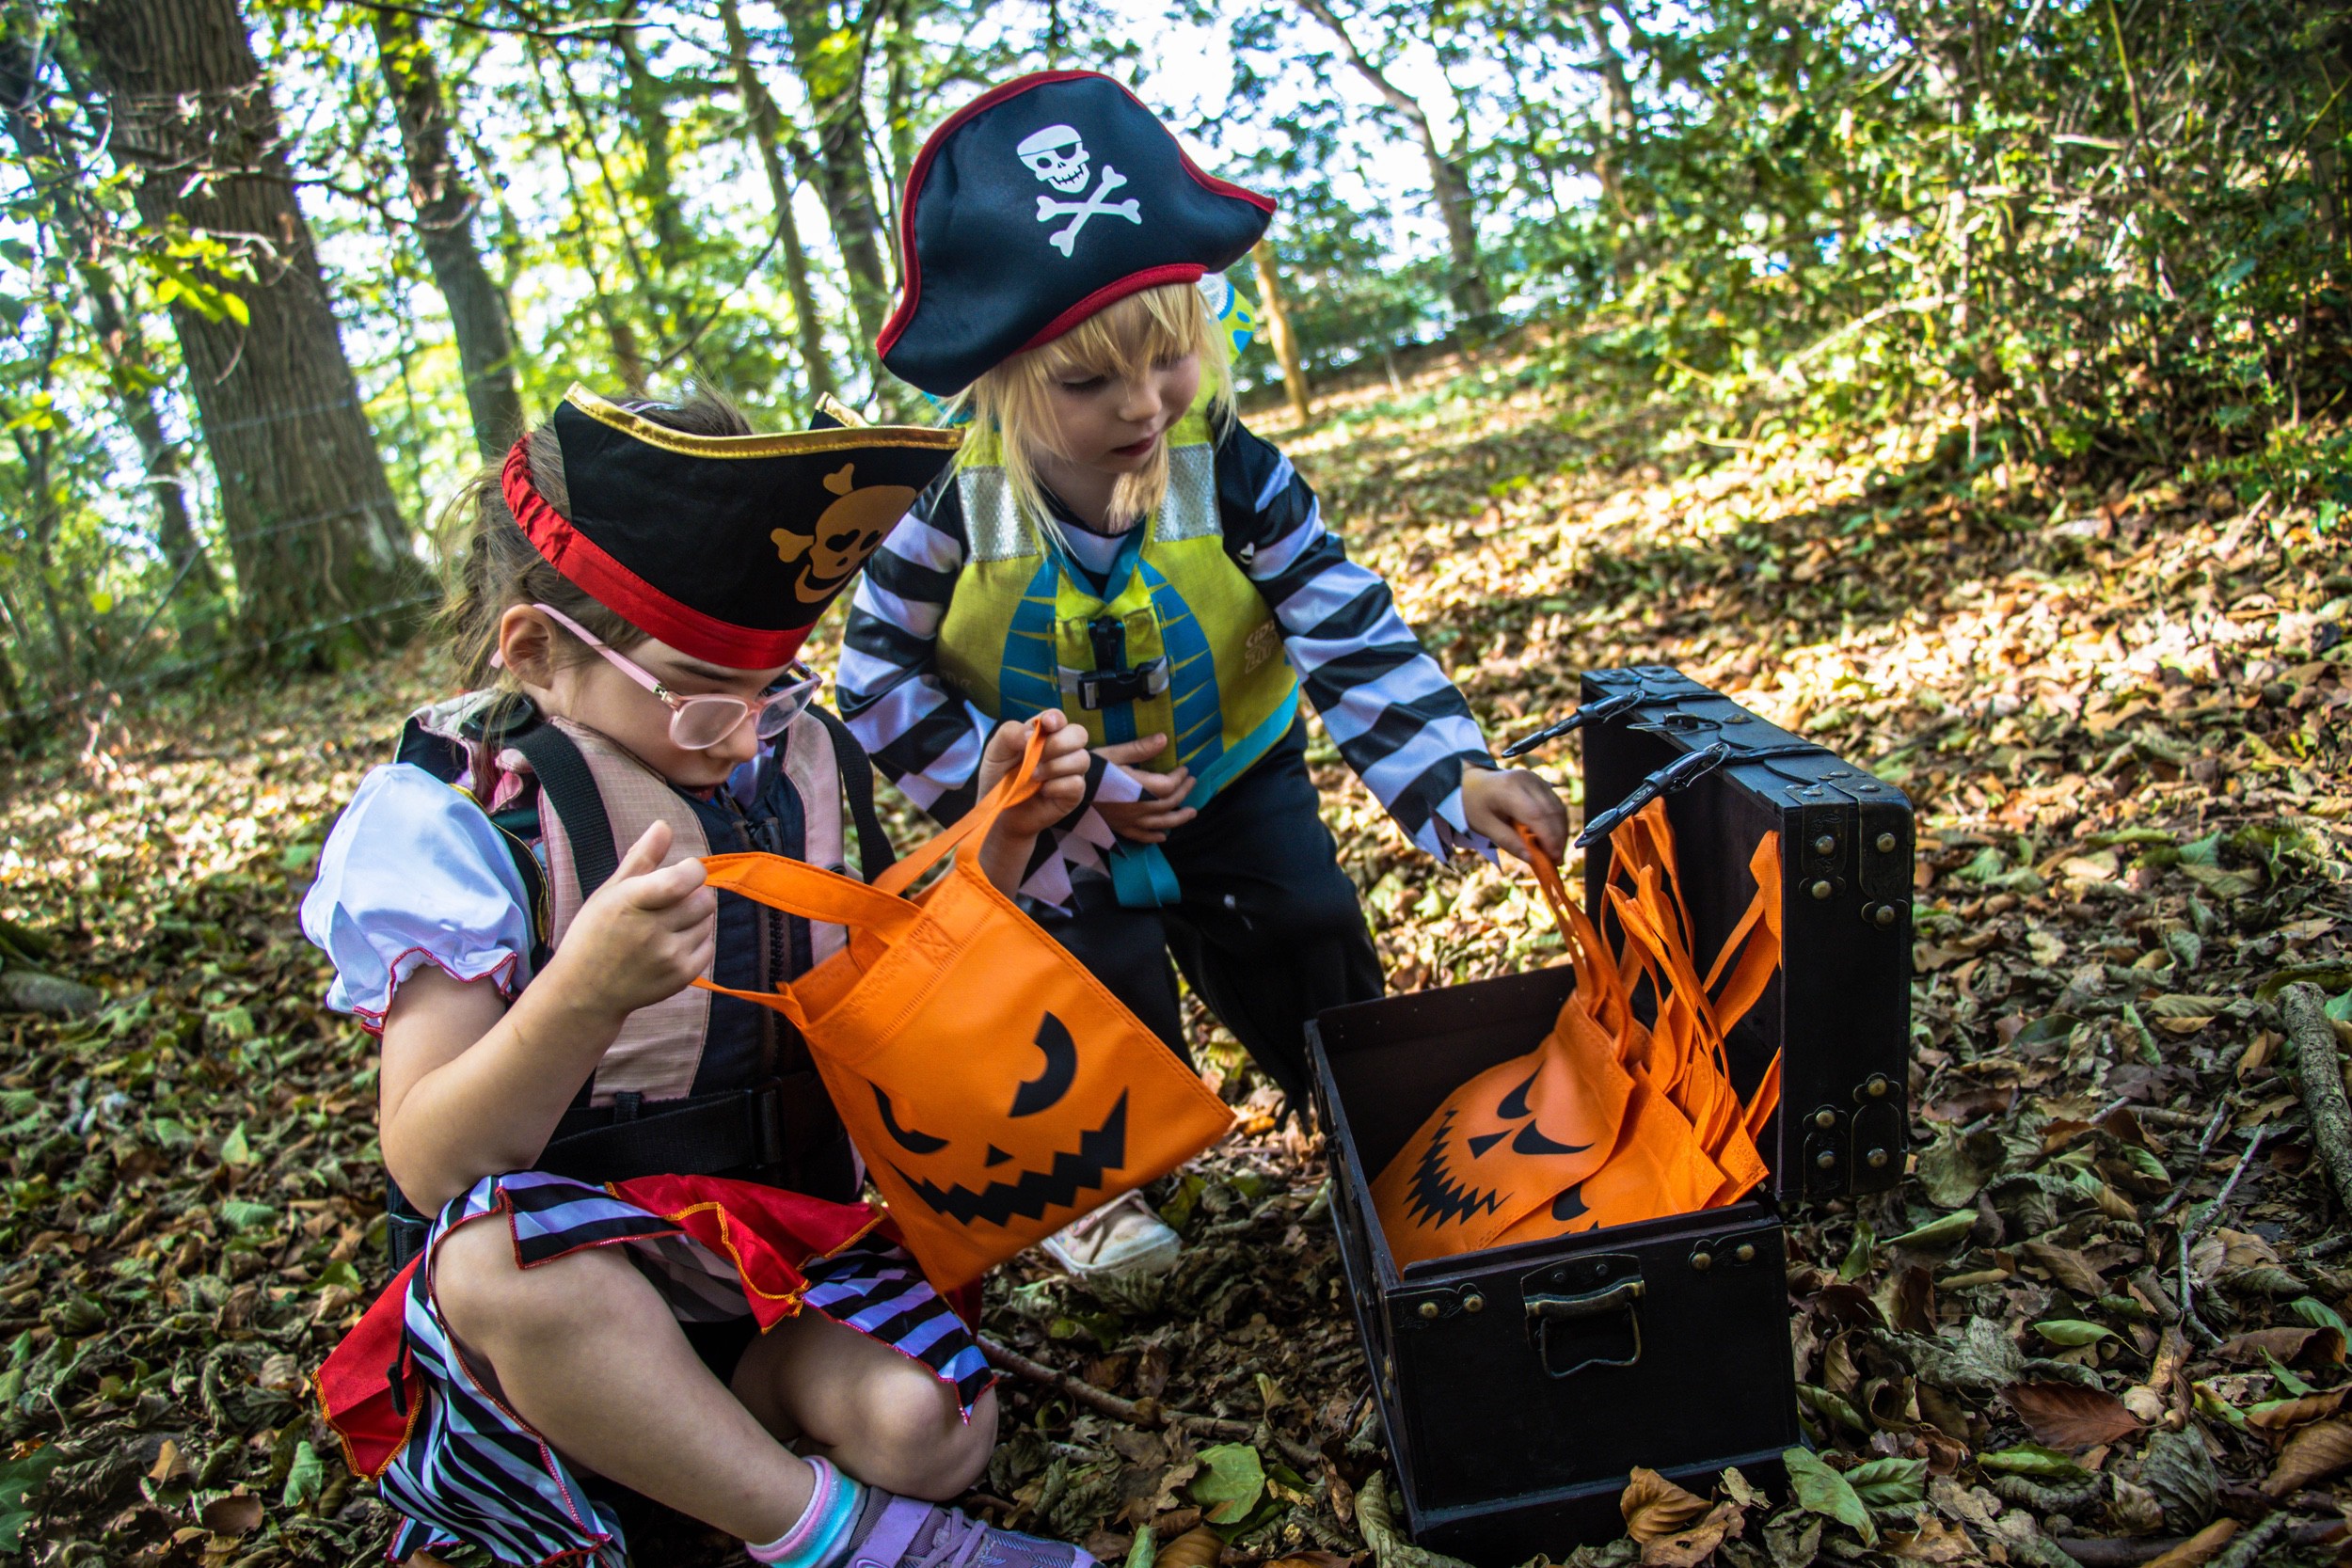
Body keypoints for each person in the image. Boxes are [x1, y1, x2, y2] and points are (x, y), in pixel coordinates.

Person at [302, 385, 1097, 1568]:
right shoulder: (460, 824)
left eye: (773, 680)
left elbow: (882, 1000)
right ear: (536, 650)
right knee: (499, 1259)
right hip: (561, 1314)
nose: (739, 736)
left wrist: (1006, 838)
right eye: (694, 692)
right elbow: (429, 1161)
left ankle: (703, 1476)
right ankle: (822, 1530)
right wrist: (582, 991)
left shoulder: (794, 752)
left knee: (933, 1431)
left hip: (768, 1266)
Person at [839, 71, 1567, 1276]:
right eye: (1087, 384)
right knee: (1083, 991)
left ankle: (1373, 1121)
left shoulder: (1225, 463)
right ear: (1003, 381)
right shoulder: (943, 503)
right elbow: (871, 678)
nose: (1142, 404)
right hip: (1046, 818)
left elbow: (1338, 614)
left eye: (1169, 357)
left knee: (1306, 928)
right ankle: (1101, 1194)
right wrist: (1013, 777)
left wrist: (1451, 772)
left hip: (1229, 767)